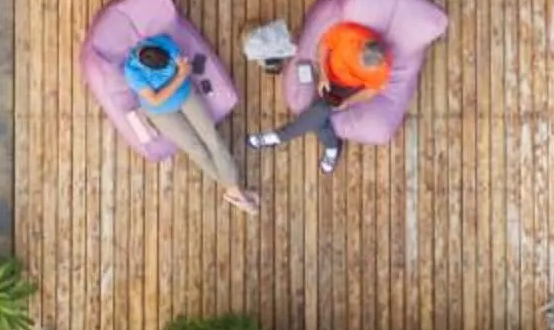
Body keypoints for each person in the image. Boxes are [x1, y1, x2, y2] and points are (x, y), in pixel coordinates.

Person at [124, 35, 259, 216]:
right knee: (194, 148)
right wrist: (179, 76)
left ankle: (234, 191)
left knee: (212, 138)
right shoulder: (133, 71)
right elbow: (156, 99)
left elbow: (183, 65)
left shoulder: (164, 43)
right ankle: (234, 191)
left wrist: (179, 75)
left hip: (185, 95)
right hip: (161, 111)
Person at [246, 19, 392, 175]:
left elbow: (371, 91)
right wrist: (323, 75)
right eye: (360, 62)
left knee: (321, 109)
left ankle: (277, 137)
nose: (360, 68)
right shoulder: (349, 34)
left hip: (346, 90)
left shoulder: (382, 69)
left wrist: (348, 102)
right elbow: (324, 44)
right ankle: (332, 147)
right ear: (362, 46)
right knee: (318, 116)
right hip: (326, 75)